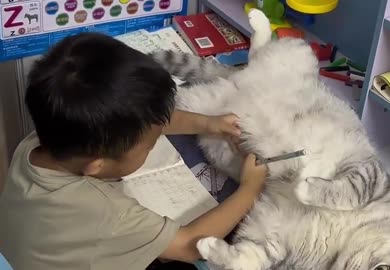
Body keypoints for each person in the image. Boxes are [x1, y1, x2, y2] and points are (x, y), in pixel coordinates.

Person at [0, 32, 267, 270]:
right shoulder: (106, 212)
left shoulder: (42, 140)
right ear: (97, 165)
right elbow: (188, 246)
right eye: (149, 146)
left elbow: (145, 123)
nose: (153, 141)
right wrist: (249, 189)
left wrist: (208, 123)